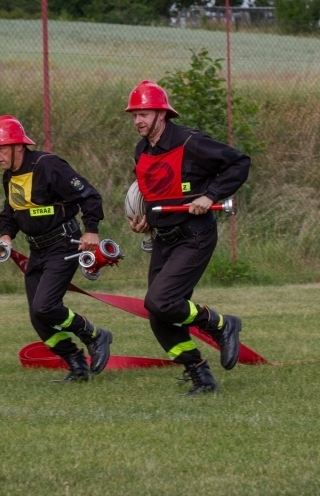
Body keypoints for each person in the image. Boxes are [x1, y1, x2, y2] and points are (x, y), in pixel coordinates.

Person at [124, 80, 250, 395]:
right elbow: (154, 194)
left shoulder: (191, 143)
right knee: (159, 315)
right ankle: (200, 375)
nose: (138, 120)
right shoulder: (141, 150)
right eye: (135, 114)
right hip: (164, 238)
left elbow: (239, 163)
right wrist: (146, 222)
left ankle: (219, 323)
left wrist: (211, 195)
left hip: (195, 236)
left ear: (162, 114)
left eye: (145, 113)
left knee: (159, 301)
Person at [0, 114, 113, 382]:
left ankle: (94, 334)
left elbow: (89, 195)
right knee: (38, 317)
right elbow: (10, 212)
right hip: (37, 251)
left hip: (64, 245)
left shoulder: (48, 165)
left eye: (0, 148)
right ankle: (77, 365)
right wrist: (6, 236)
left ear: (18, 146)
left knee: (45, 306)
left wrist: (91, 229)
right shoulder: (10, 176)